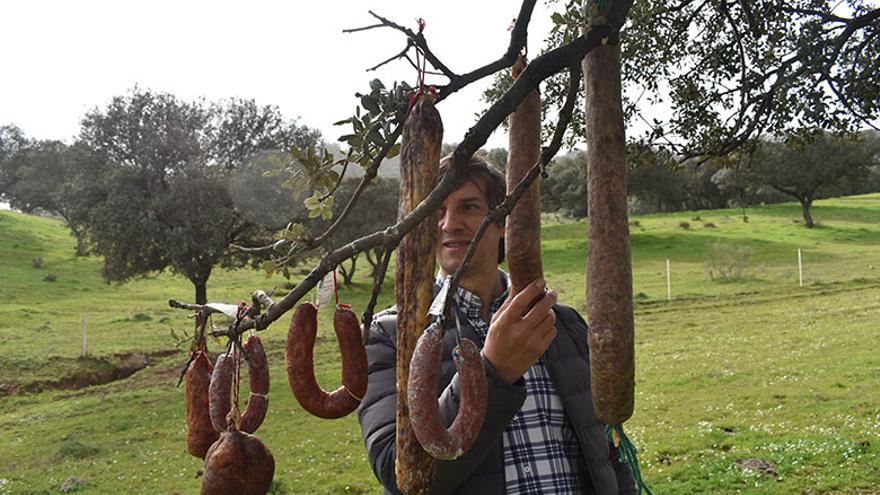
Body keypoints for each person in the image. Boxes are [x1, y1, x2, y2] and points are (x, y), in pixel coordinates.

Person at [358, 155, 636, 494]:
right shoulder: (389, 337)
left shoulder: (562, 324)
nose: (449, 224)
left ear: (503, 220)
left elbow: (609, 452)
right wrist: (492, 371)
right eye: (438, 211)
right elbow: (398, 473)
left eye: (468, 207)